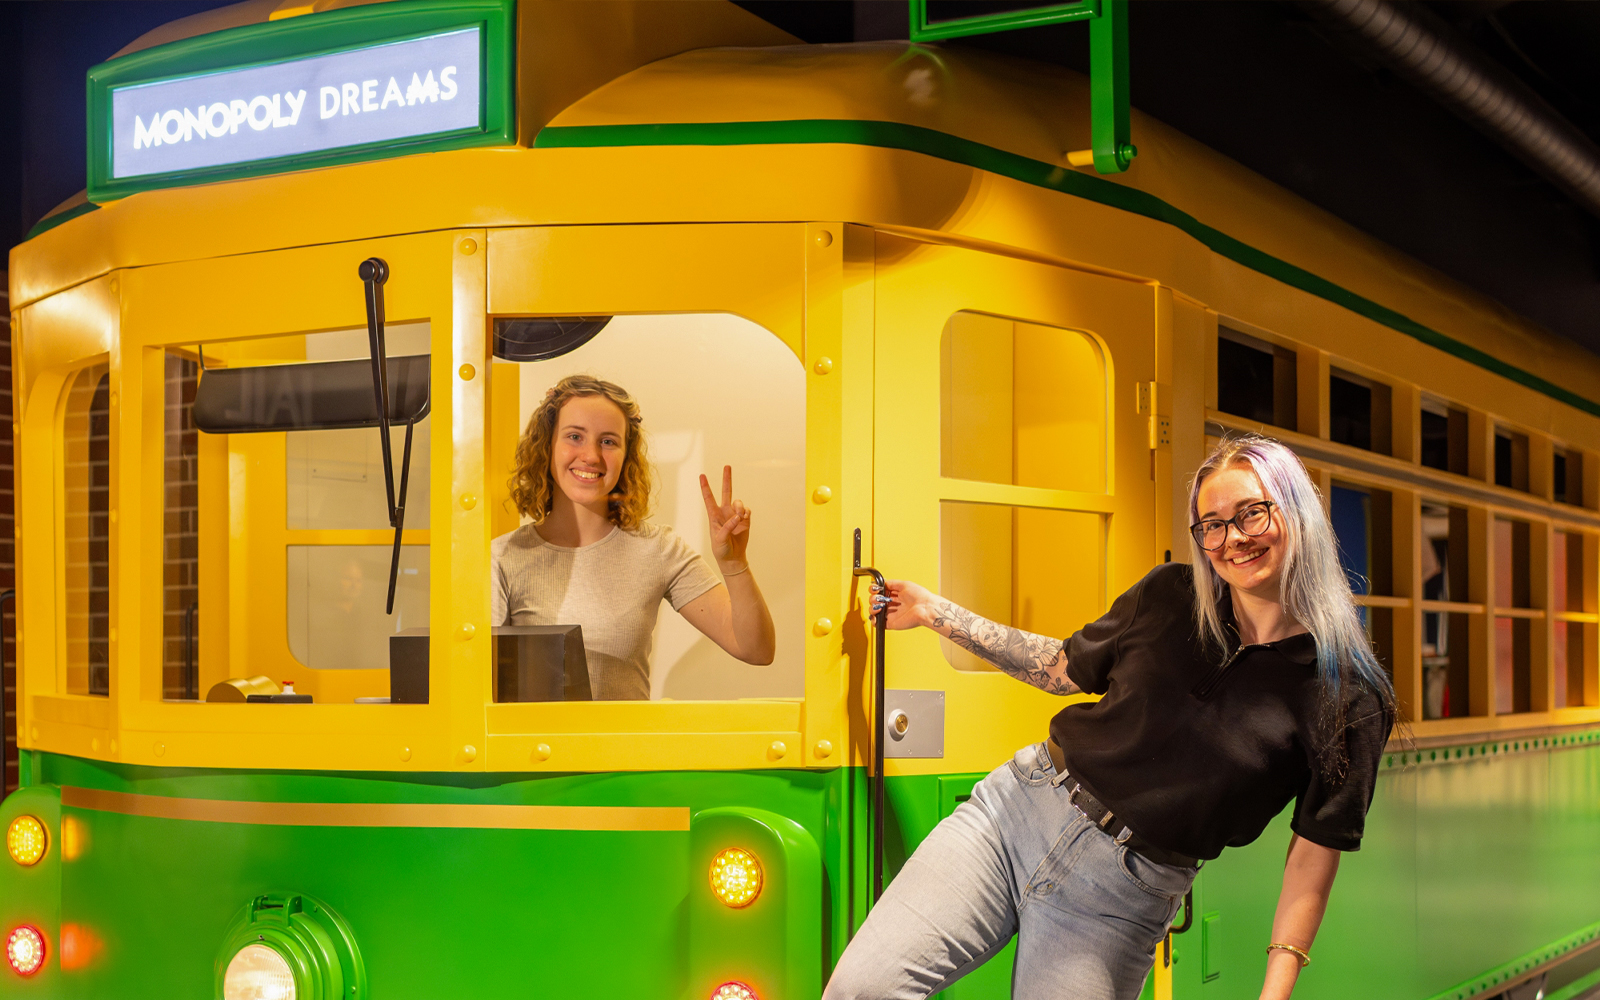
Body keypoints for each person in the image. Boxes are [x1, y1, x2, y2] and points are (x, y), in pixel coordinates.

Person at [825, 434, 1396, 1000]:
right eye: (1212, 524)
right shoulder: (1169, 595)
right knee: (860, 990)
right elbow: (1061, 667)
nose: (1233, 539)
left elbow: (1314, 851)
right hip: (1015, 816)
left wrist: (1276, 991)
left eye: (1252, 513)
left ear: (1296, 512)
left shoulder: (1351, 694)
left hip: (1124, 894)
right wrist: (932, 610)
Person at [491, 374, 775, 699]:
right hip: (536, 749)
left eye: (609, 441)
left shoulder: (659, 549)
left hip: (627, 749)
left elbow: (756, 650)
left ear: (627, 455)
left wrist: (734, 562)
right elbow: (479, 684)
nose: (592, 456)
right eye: (574, 436)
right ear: (547, 444)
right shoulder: (503, 556)